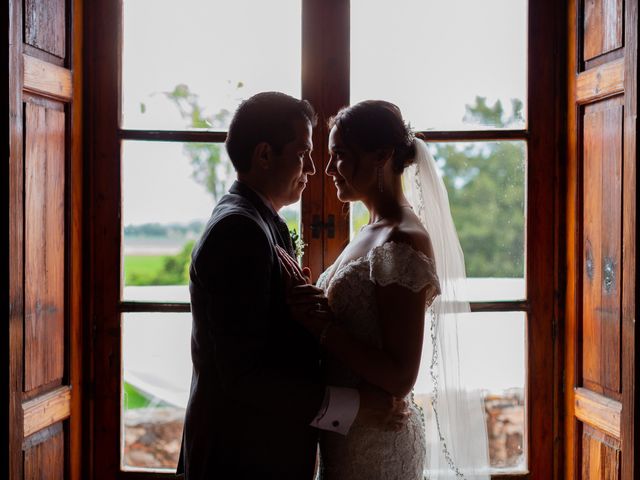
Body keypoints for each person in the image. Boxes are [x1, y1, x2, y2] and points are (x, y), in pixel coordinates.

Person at [176, 92, 408, 480]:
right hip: (240, 459)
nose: (315, 169)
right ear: (265, 155)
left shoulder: (259, 220)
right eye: (303, 153)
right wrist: (354, 406)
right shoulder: (239, 230)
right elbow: (243, 375)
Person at [277, 100, 491, 479]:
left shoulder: (402, 240)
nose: (328, 170)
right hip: (347, 432)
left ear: (382, 156)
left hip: (377, 442)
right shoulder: (367, 232)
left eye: (339, 155)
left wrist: (321, 328)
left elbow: (400, 377)